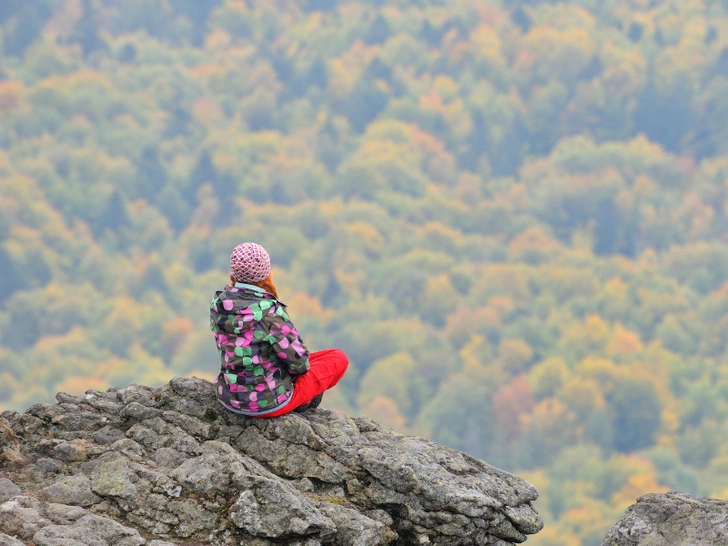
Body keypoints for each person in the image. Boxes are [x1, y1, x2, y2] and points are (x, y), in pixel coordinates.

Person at [210, 242, 348, 417]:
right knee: (337, 358)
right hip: (266, 403)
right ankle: (302, 400)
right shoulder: (270, 312)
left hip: (228, 396)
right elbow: (300, 364)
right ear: (266, 272)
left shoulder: (218, 305)